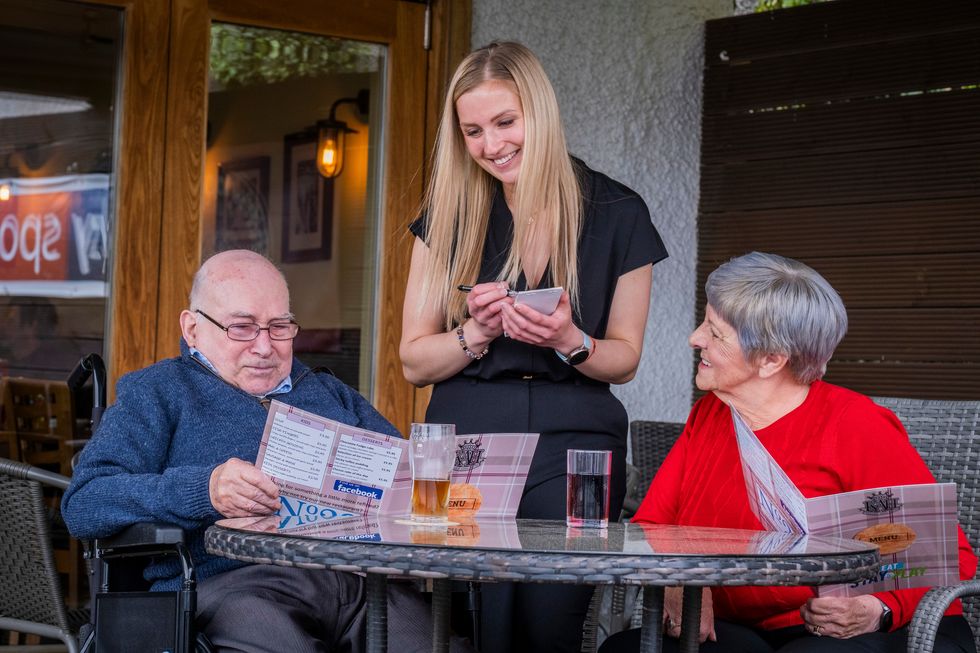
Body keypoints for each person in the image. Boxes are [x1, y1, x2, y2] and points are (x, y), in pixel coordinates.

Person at [63, 249, 473, 653]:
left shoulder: (327, 391)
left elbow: (406, 474)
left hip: (356, 582)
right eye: (242, 327)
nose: (264, 347)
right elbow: (84, 502)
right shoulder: (159, 391)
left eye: (279, 327)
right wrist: (204, 490)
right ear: (192, 329)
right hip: (230, 583)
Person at [399, 41, 668, 653]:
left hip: (580, 439)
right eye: (472, 131)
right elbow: (414, 361)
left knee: (552, 616)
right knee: (475, 621)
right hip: (464, 434)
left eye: (504, 122)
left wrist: (572, 342)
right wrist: (477, 333)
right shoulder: (448, 214)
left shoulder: (620, 211)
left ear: (539, 114)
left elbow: (624, 358)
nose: (491, 145)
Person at [599, 252, 977, 653]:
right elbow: (651, 525)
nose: (696, 339)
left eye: (715, 332)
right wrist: (676, 579)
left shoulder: (855, 423)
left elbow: (943, 555)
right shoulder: (710, 414)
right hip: (747, 626)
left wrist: (877, 607)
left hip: (873, 627)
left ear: (771, 360)